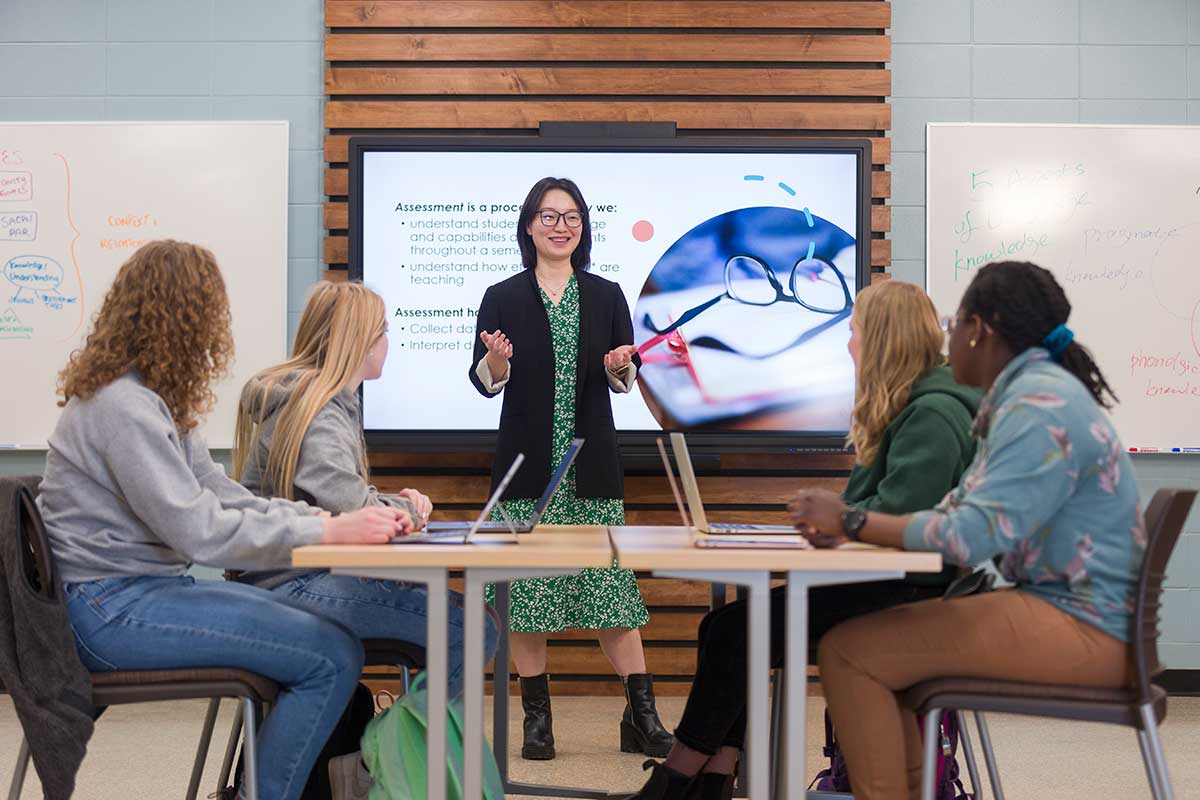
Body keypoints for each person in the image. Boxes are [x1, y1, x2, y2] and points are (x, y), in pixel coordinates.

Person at [37, 240, 410, 800]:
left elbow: (220, 493)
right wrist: (326, 530)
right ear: (182, 316)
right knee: (330, 655)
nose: (217, 328)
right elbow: (198, 531)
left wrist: (311, 520)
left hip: (136, 594)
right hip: (108, 611)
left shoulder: (150, 397)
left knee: (329, 643)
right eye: (211, 312)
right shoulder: (123, 407)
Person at [792, 260, 1142, 800]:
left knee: (848, 653)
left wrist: (852, 521)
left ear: (979, 330)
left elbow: (968, 536)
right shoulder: (1027, 395)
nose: (945, 340)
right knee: (885, 656)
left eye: (953, 326)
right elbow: (955, 510)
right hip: (1075, 611)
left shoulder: (1037, 404)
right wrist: (858, 521)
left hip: (1084, 625)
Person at [625, 280, 982, 800]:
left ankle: (678, 780)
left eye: (855, 330)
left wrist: (839, 523)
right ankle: (715, 778)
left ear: (883, 339)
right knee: (725, 625)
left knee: (736, 633)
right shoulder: (908, 409)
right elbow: (870, 511)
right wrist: (835, 523)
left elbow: (901, 524)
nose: (848, 343)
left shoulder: (931, 414)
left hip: (915, 597)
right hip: (894, 582)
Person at [234, 280, 501, 793]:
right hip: (291, 583)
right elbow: (351, 506)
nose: (388, 342)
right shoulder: (320, 408)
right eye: (383, 332)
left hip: (282, 575)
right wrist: (403, 507)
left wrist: (387, 499)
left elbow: (334, 492)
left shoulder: (316, 402)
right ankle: (382, 757)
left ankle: (387, 754)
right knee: (471, 627)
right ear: (358, 341)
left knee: (467, 623)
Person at [469, 177, 672, 760]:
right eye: (549, 216)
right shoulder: (502, 296)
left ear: (583, 227)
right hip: (527, 472)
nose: (561, 226)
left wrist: (618, 366)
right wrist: (496, 362)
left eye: (573, 217)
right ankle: (538, 721)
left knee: (610, 594)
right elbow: (484, 384)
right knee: (529, 599)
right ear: (529, 225)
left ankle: (642, 716)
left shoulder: (606, 295)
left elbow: (625, 380)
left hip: (590, 468)